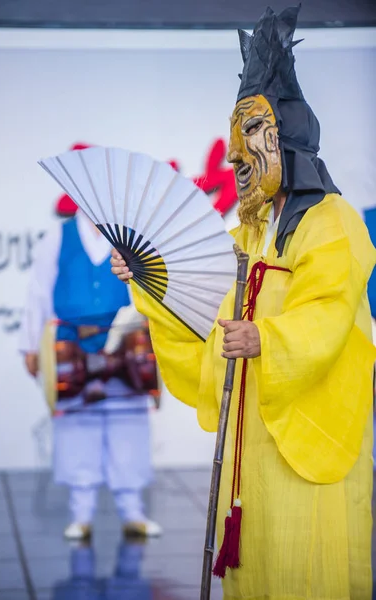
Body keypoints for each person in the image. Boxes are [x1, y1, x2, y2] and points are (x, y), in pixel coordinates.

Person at [111, 6, 376, 600]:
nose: (233, 161)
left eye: (247, 143)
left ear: (285, 140)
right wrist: (146, 278)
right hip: (249, 438)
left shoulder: (334, 223)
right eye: (232, 149)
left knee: (304, 559)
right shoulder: (248, 235)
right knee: (253, 561)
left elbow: (330, 312)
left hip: (306, 434)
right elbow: (200, 297)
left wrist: (267, 340)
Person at [20, 208, 161, 540]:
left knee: (129, 425)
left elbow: (152, 286)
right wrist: (30, 345)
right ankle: (80, 514)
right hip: (72, 344)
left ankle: (133, 512)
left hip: (124, 345)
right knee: (75, 425)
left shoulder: (127, 236)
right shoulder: (59, 236)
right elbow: (39, 291)